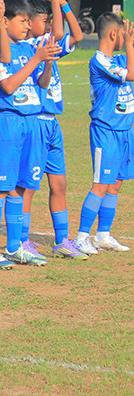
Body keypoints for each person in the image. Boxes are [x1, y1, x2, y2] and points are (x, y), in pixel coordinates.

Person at [0, 0, 61, 267]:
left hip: (31, 123)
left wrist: (47, 62)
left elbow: (42, 83)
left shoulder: (30, 49)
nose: (28, 26)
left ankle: (15, 246)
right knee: (0, 188)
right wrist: (36, 58)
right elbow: (8, 86)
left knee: (19, 187)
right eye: (23, 21)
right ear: (5, 22)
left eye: (29, 21)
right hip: (8, 122)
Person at [15, 0, 87, 259]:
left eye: (47, 19)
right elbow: (59, 31)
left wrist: (64, 3)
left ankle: (61, 240)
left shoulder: (49, 43)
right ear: (28, 22)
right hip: (35, 121)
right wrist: (57, 3)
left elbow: (77, 36)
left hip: (53, 124)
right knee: (28, 187)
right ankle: (21, 241)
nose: (46, 25)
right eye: (41, 19)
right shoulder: (33, 45)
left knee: (59, 184)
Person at [74, 14, 134, 254]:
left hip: (124, 130)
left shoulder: (120, 58)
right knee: (101, 184)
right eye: (123, 33)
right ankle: (81, 237)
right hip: (106, 130)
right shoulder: (99, 61)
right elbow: (131, 74)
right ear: (113, 34)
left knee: (115, 184)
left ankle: (103, 235)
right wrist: (129, 45)